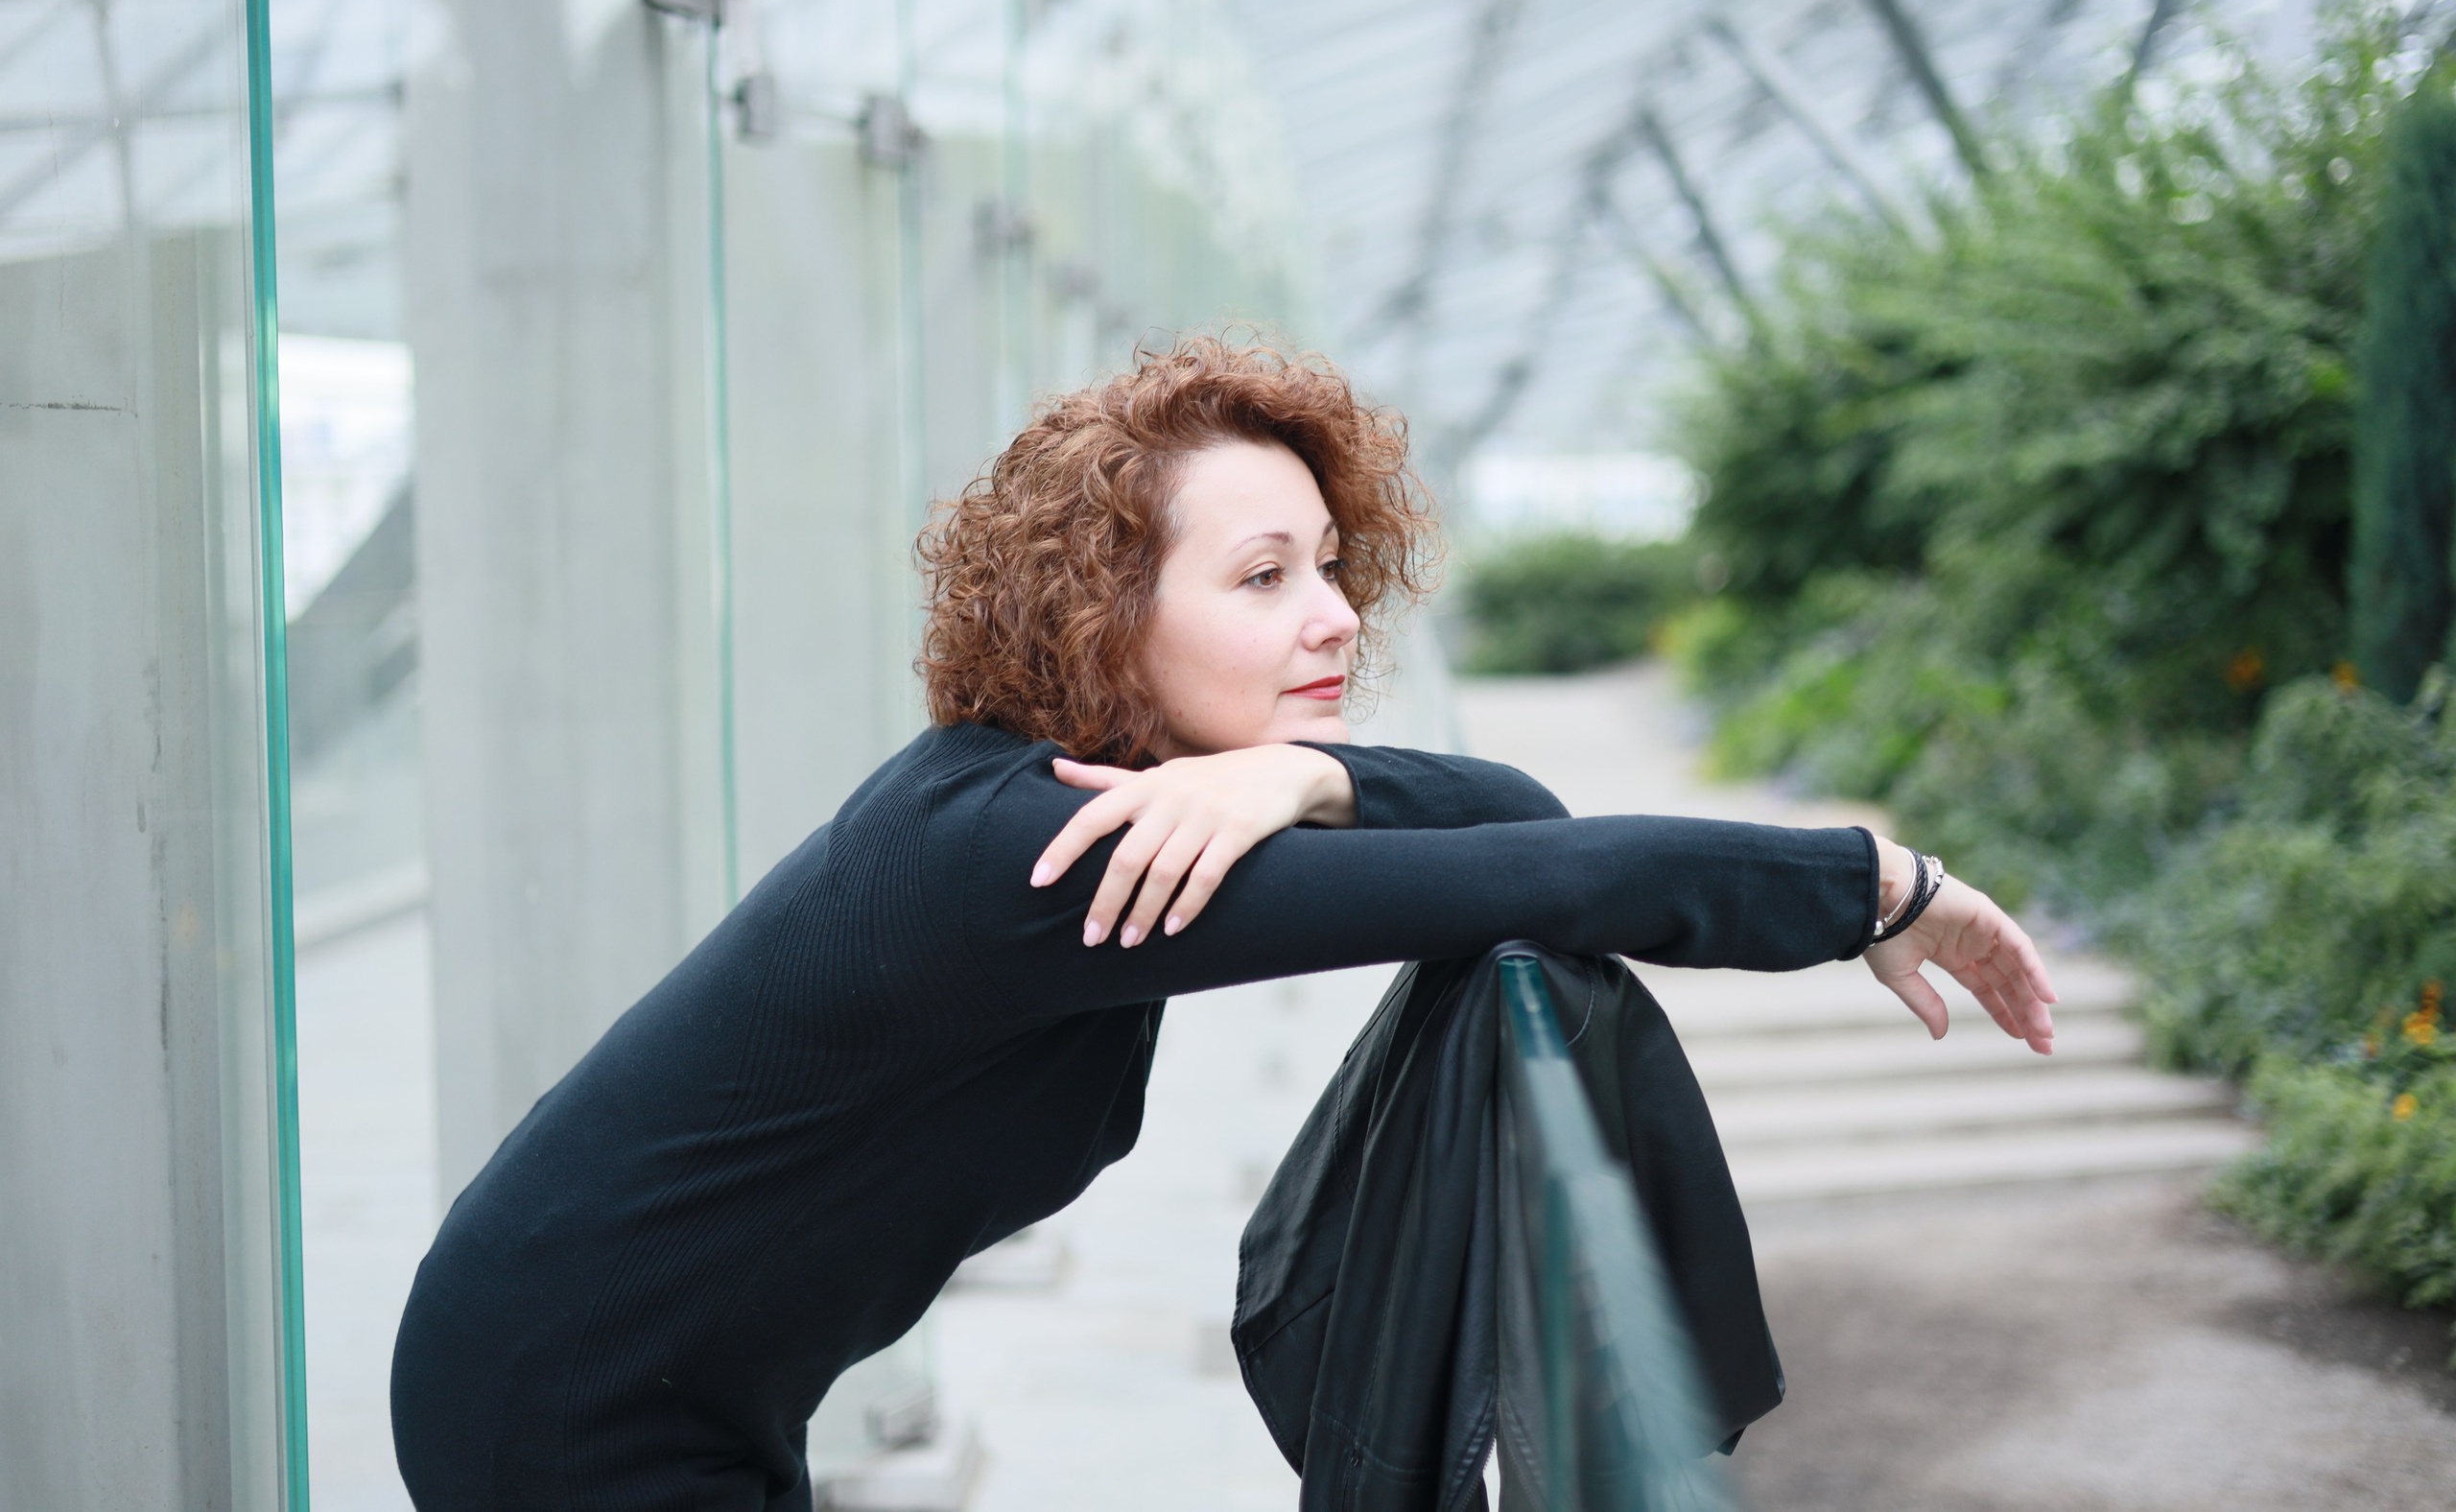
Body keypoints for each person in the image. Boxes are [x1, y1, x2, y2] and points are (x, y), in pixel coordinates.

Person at [390, 336, 2056, 1511]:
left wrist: (1296, 785)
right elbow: (1538, 874)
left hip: (666, 1380)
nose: (1332, 617)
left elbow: (1517, 819)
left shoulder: (1097, 801)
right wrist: (1876, 887)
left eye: (1330, 567)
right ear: (1107, 618)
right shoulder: (1046, 857)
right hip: (568, 1415)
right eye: (1262, 580)